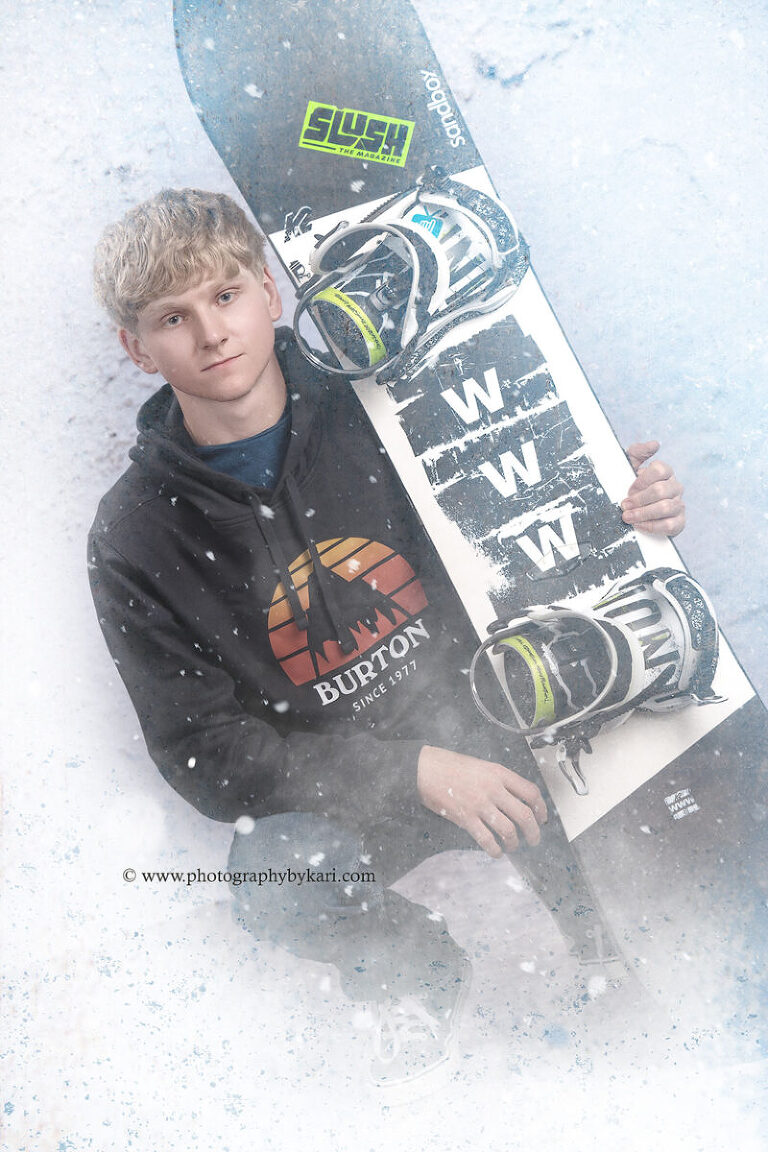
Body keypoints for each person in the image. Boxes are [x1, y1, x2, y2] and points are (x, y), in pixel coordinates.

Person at [89, 188, 686, 1084]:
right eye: (173, 318)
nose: (211, 334)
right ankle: (415, 978)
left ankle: (607, 948)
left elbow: (524, 513)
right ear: (137, 349)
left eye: (223, 296)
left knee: (579, 704)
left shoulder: (390, 392)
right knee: (272, 874)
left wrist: (624, 506)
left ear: (268, 289)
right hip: (348, 794)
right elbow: (201, 755)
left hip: (496, 723)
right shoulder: (133, 535)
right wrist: (406, 768)